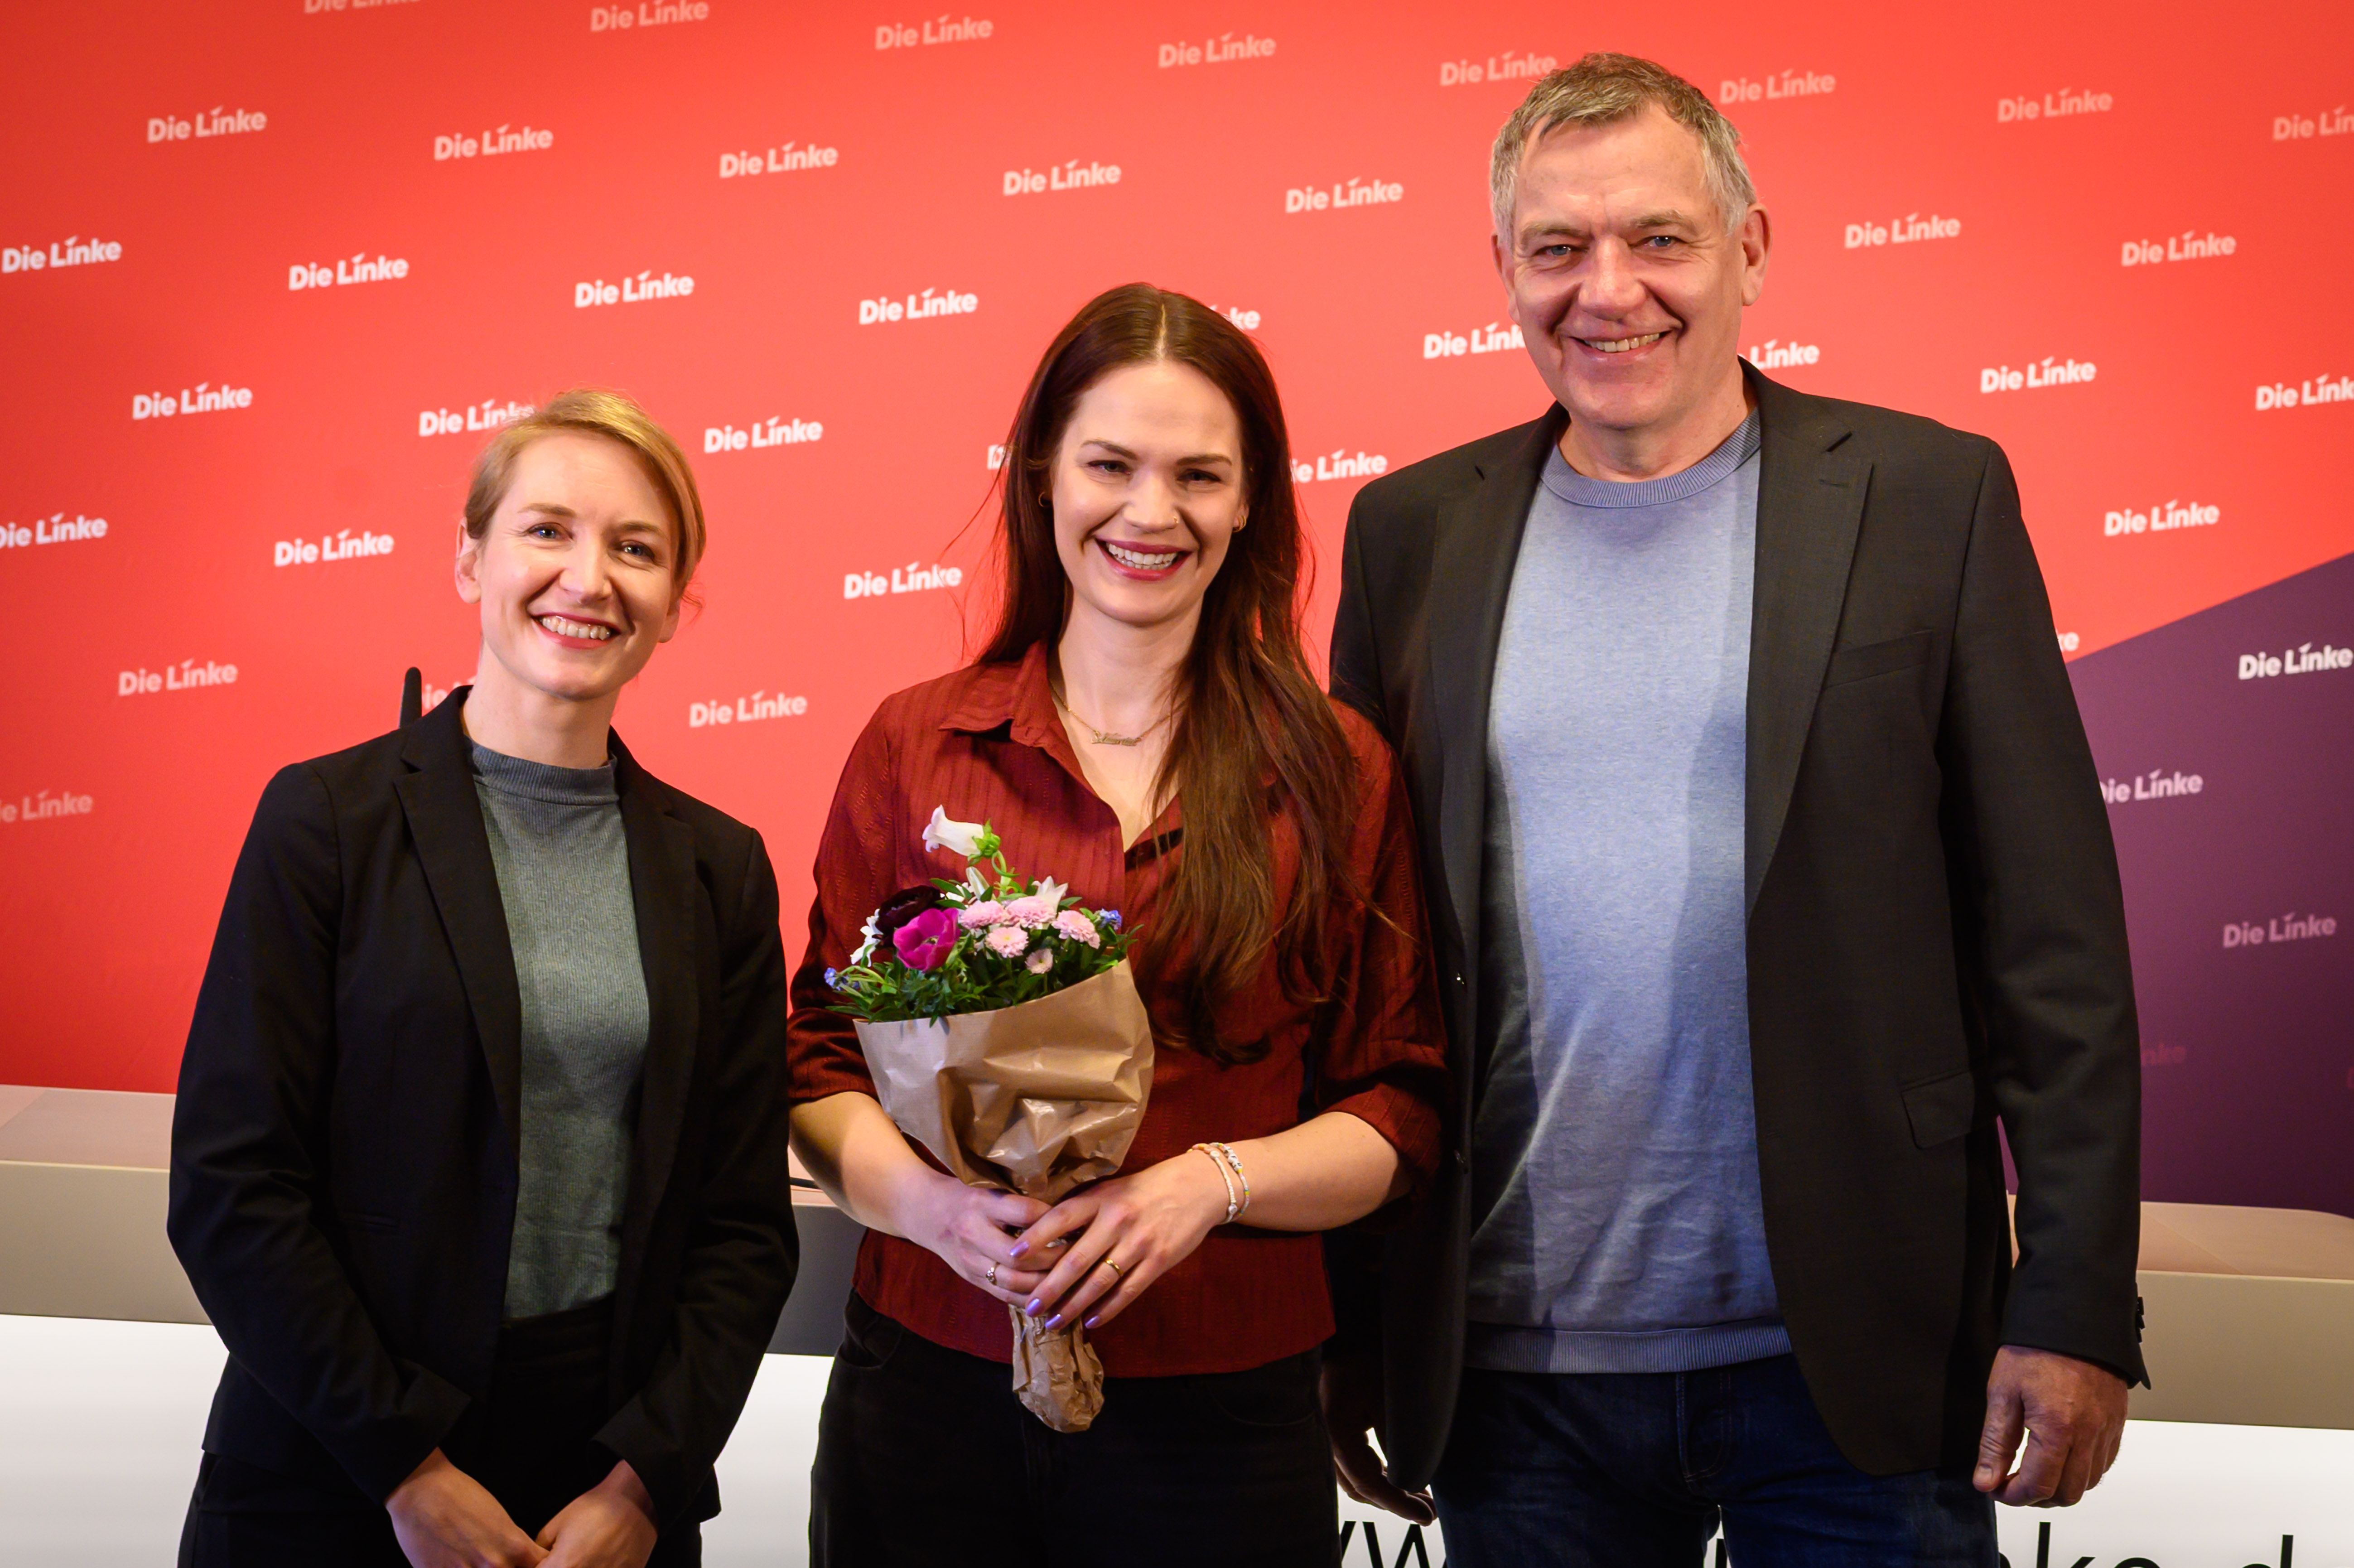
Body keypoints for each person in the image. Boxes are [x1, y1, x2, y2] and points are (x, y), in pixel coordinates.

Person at [1322, 53, 2145, 1567]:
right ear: (1501, 269)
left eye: (1658, 239)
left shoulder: (1927, 495)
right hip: (1517, 1370)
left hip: (1859, 1356)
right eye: (1556, 248)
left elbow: (2054, 945)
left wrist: (2077, 1304)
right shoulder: (1406, 533)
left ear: (1750, 248)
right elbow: (1366, 964)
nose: (1606, 290)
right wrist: (1356, 1318)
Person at [787, 284, 1449, 1566]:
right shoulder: (916, 742)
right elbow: (816, 1059)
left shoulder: (1338, 768)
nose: (1150, 513)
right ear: (1043, 475)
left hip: (1224, 1406)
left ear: (1252, 499)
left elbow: (1399, 1105)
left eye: (1199, 474)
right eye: (1110, 465)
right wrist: (929, 1211)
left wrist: (1209, 1186)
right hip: (929, 1387)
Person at [169, 389, 798, 1568]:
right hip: (333, 1469)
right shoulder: (326, 822)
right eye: (547, 529)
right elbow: (231, 1185)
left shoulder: (720, 869)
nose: (589, 575)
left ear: (675, 605)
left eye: (636, 548)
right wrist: (407, 1470)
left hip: (600, 1486)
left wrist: (648, 1481)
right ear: (471, 560)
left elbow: (742, 1228)